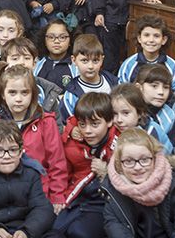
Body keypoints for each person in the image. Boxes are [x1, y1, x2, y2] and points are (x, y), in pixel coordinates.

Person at [0, 64, 68, 208]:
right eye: (12, 92)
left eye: (24, 92)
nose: (18, 98)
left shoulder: (46, 121)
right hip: (2, 194)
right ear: (3, 94)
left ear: (33, 94)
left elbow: (57, 162)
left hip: (39, 193)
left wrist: (57, 196)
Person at [101, 128, 175, 237]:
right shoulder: (112, 188)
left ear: (154, 159)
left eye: (144, 160)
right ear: (119, 164)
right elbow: (115, 227)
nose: (138, 167)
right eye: (129, 161)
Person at [55, 92, 119, 238]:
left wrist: (107, 171)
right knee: (53, 232)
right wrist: (58, 197)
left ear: (109, 122)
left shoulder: (118, 144)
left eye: (95, 124)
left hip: (102, 203)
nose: (88, 131)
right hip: (75, 199)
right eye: (82, 125)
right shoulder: (72, 142)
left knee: (79, 232)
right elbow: (62, 173)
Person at [0, 37, 63, 125]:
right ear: (5, 62)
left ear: (34, 64)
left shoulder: (47, 90)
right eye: (15, 58)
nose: (21, 62)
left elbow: (56, 127)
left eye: (27, 58)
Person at [61, 34, 119, 121]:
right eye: (84, 60)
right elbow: (67, 123)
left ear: (102, 60)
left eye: (95, 60)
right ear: (74, 60)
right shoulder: (71, 95)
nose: (90, 66)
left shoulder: (114, 84)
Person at [118, 14, 175, 92]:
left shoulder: (173, 67)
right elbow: (122, 93)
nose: (151, 40)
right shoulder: (128, 65)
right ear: (139, 38)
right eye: (146, 35)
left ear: (164, 40)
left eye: (156, 36)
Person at [110, 83, 173, 154]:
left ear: (140, 113)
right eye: (114, 114)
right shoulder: (112, 130)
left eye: (126, 113)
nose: (119, 120)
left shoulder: (150, 131)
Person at [35, 19, 78, 92]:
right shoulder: (37, 65)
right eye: (51, 37)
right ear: (44, 40)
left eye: (62, 37)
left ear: (70, 40)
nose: (56, 41)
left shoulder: (75, 67)